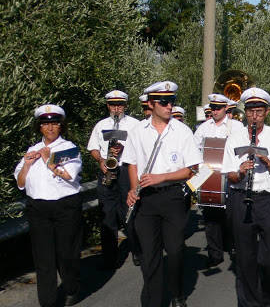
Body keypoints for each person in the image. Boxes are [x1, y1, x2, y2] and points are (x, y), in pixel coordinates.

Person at [123, 81, 203, 307]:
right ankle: (154, 301)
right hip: (146, 199)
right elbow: (132, 163)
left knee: (176, 251)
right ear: (151, 104)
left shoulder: (182, 131)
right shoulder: (138, 131)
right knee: (150, 255)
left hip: (173, 197)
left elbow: (192, 169)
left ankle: (177, 291)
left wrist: (162, 177)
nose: (170, 106)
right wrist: (132, 188)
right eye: (165, 102)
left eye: (172, 102)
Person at [221, 87, 270, 307]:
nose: (254, 116)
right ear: (245, 112)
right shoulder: (234, 137)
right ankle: (249, 303)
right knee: (245, 258)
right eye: (250, 111)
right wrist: (241, 171)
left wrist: (268, 163)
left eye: (259, 111)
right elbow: (230, 176)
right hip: (241, 198)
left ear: (267, 112)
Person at [14, 105, 82, 307]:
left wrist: (48, 160)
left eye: (54, 124)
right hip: (38, 208)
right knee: (43, 259)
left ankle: (71, 287)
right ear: (39, 127)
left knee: (66, 254)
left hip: (65, 206)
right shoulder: (32, 149)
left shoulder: (69, 148)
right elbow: (20, 182)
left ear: (61, 126)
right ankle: (48, 302)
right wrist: (27, 164)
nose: (50, 128)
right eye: (45, 124)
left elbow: (70, 175)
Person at [86, 90, 141, 269]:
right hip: (107, 170)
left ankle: (137, 250)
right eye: (112, 105)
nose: (116, 108)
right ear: (108, 106)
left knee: (130, 213)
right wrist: (101, 160)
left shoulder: (136, 125)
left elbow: (142, 150)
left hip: (126, 170)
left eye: (120, 104)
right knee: (107, 215)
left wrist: (125, 152)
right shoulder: (100, 125)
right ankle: (110, 257)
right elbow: (93, 148)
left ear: (125, 105)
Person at [193, 93, 243, 269]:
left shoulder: (236, 127)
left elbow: (241, 150)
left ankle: (233, 246)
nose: (214, 111)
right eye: (212, 108)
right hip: (208, 174)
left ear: (226, 108)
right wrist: (196, 179)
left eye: (218, 108)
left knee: (231, 215)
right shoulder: (203, 128)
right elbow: (194, 150)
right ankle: (215, 254)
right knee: (210, 216)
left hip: (229, 173)